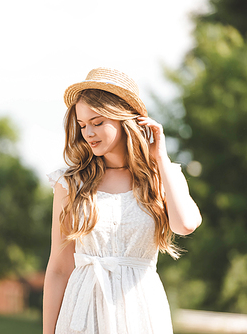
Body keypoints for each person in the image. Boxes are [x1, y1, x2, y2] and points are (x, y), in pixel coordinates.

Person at [42, 68, 202, 334]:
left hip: (141, 311)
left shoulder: (163, 176)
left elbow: (184, 225)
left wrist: (160, 158)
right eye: (82, 125)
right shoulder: (70, 184)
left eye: (97, 122)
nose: (88, 133)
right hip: (82, 312)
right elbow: (59, 268)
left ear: (122, 119)